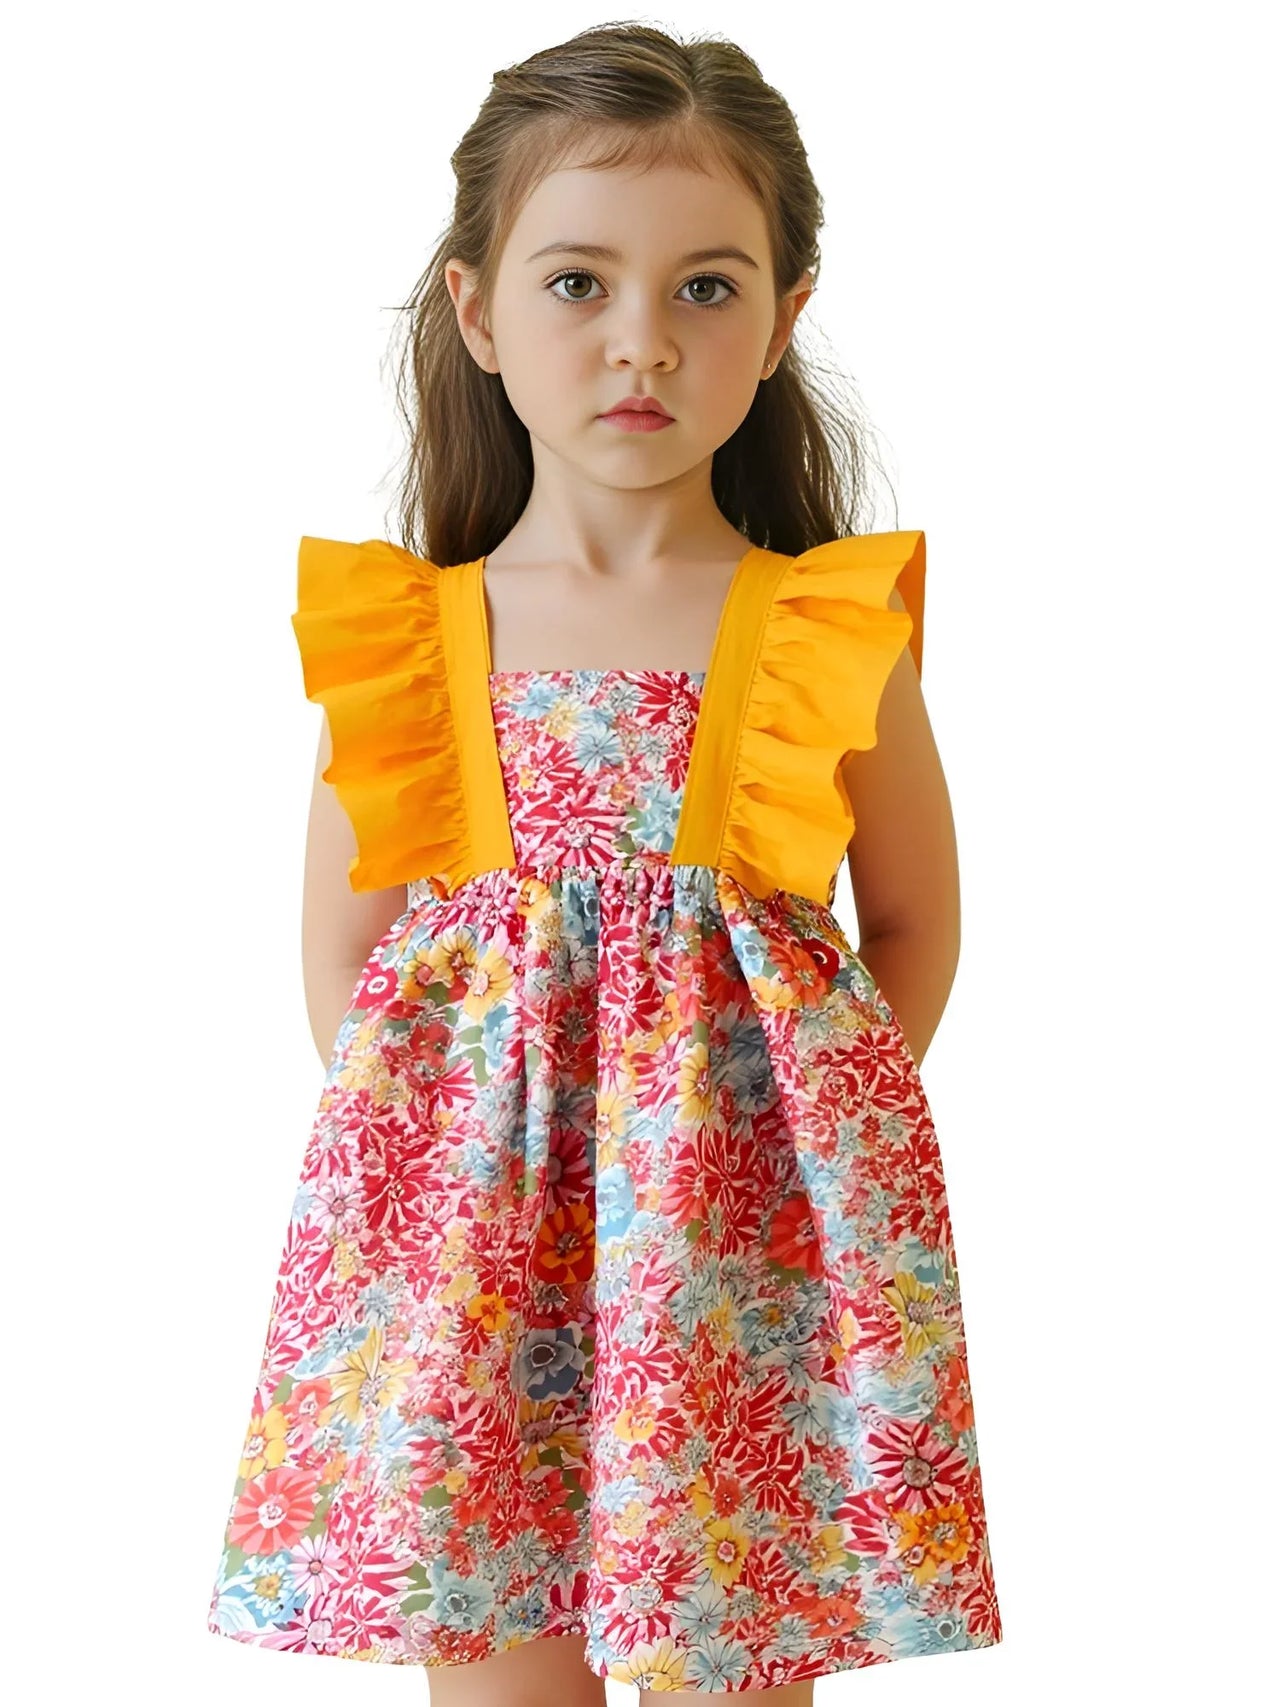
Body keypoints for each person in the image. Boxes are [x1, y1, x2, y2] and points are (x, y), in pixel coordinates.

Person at [206, 20, 1003, 1704]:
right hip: (480, 1277)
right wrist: (453, 1192)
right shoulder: (419, 641)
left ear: (783, 320)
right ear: (479, 310)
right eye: (580, 283)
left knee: (734, 1676)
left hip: (736, 1279)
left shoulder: (817, 633)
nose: (642, 337)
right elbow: (351, 967)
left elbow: (910, 925)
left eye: (707, 288)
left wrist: (786, 1171)